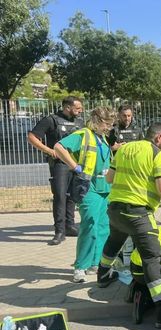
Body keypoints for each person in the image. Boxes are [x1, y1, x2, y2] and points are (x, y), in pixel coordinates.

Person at [96, 122, 161, 329]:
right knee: (152, 259)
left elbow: (109, 178)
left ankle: (103, 275)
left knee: (115, 240)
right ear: (158, 137)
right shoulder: (158, 155)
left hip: (115, 210)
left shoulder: (124, 149)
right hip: (138, 214)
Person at [53, 107, 115, 283]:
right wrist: (74, 166)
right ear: (96, 120)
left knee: (103, 228)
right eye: (106, 124)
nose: (108, 128)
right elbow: (58, 147)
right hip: (89, 188)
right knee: (89, 226)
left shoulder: (102, 137)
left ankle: (96, 263)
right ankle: (80, 266)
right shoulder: (84, 134)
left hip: (105, 189)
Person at [27, 96, 84, 245]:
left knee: (72, 195)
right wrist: (49, 151)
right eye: (77, 108)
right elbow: (32, 137)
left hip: (76, 163)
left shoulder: (79, 122)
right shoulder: (51, 120)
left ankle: (70, 226)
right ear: (67, 107)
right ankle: (59, 231)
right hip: (59, 164)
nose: (80, 111)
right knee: (60, 196)